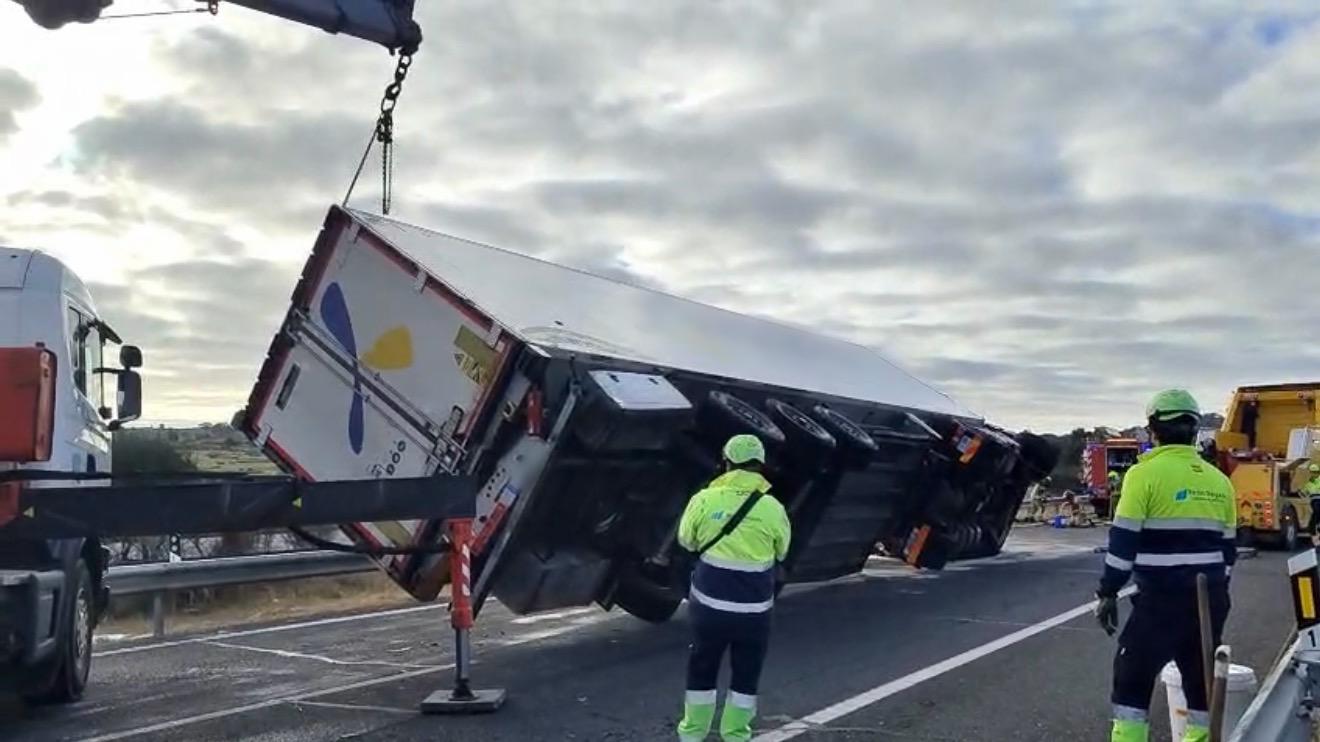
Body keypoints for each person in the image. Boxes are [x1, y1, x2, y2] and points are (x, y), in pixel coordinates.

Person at [1095, 389, 1236, 742]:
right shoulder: (1220, 481)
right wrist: (1217, 593)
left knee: (1132, 680)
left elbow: (1123, 544)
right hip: (1211, 597)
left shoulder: (1144, 475)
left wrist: (1108, 591)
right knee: (1200, 683)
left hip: (1161, 600)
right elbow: (1229, 553)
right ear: (1193, 432)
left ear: (1153, 430)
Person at [675, 434, 791, 742]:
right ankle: (736, 735)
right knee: (746, 675)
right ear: (761, 467)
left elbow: (686, 540)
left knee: (702, 667)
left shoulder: (704, 499)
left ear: (725, 463)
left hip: (708, 608)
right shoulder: (773, 508)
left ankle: (693, 734)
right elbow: (782, 551)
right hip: (754, 614)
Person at [1302, 463, 1320, 540]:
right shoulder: (1310, 482)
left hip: (1317, 501)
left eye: (1315, 472)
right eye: (1312, 472)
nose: (1313, 473)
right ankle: (1313, 529)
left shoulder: (1315, 481)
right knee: (1315, 515)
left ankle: (1313, 529)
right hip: (1314, 501)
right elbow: (1304, 492)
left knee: (1316, 514)